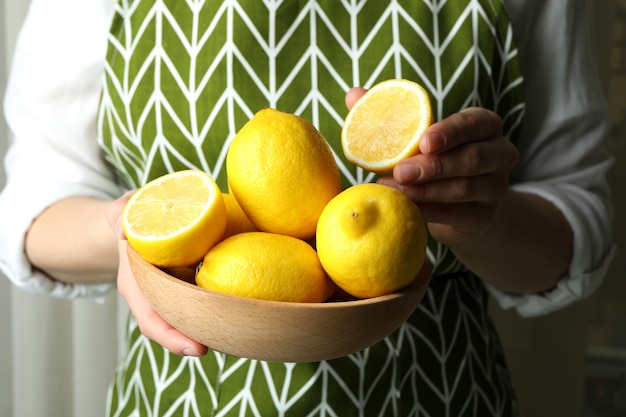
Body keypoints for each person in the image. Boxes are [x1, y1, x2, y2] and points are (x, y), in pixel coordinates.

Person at [0, 0, 614, 415]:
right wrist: (129, 229)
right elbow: (34, 207)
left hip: (433, 389)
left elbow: (578, 223)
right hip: (188, 393)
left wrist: (484, 220)